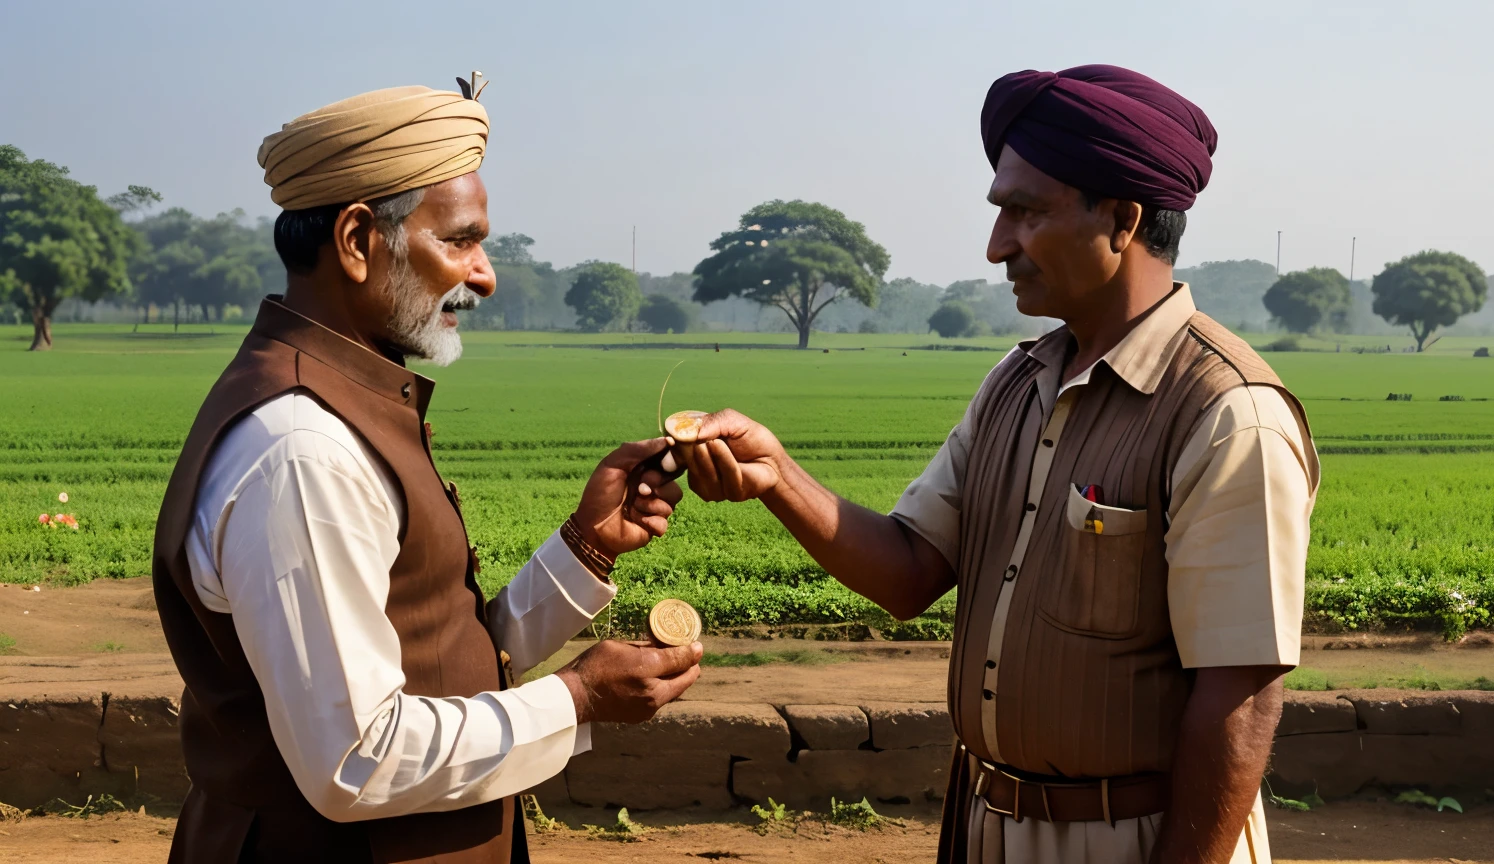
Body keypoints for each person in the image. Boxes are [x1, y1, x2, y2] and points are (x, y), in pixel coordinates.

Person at [677, 65, 1319, 864]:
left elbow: (1241, 696)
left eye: (1025, 211)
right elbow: (912, 568)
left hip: (1139, 840)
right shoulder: (1018, 383)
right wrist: (777, 475)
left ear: (1122, 219)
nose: (996, 245)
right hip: (988, 823)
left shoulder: (1227, 414)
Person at [151, 82, 701, 864]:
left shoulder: (345, 403)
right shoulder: (304, 452)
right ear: (355, 241)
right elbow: (356, 757)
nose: (485, 276)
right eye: (459, 242)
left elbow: (430, 658)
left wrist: (587, 547)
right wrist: (579, 699)